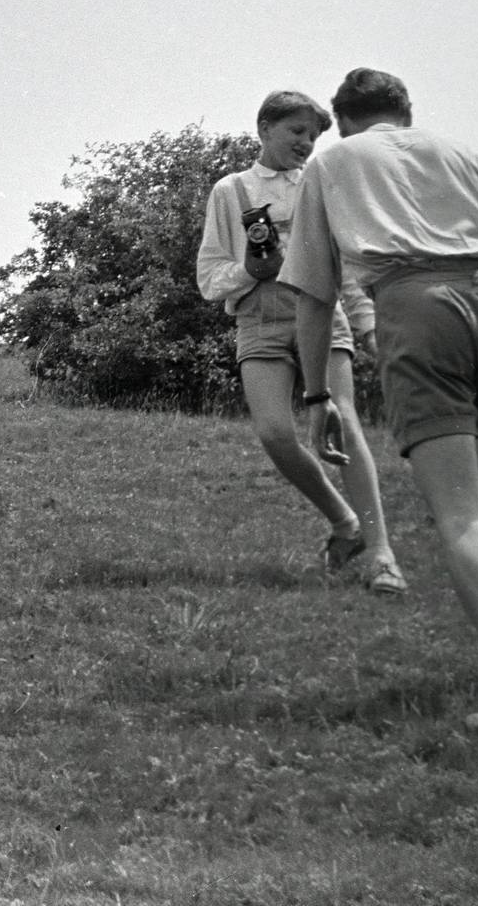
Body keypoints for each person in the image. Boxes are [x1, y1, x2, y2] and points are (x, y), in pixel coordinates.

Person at [283, 68, 478, 744]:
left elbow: (313, 295)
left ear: (346, 118)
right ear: (406, 113)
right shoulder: (458, 152)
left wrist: (315, 393)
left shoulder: (333, 162)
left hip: (421, 307)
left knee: (458, 509)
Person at [197, 91, 406, 595]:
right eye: (296, 132)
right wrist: (250, 270)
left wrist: (367, 323)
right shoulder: (232, 190)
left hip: (322, 312)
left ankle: (381, 555)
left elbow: (349, 267)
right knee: (274, 433)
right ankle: (344, 522)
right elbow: (209, 278)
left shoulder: (325, 183)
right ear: (264, 129)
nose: (307, 143)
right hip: (259, 319)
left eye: (314, 135)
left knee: (343, 423)